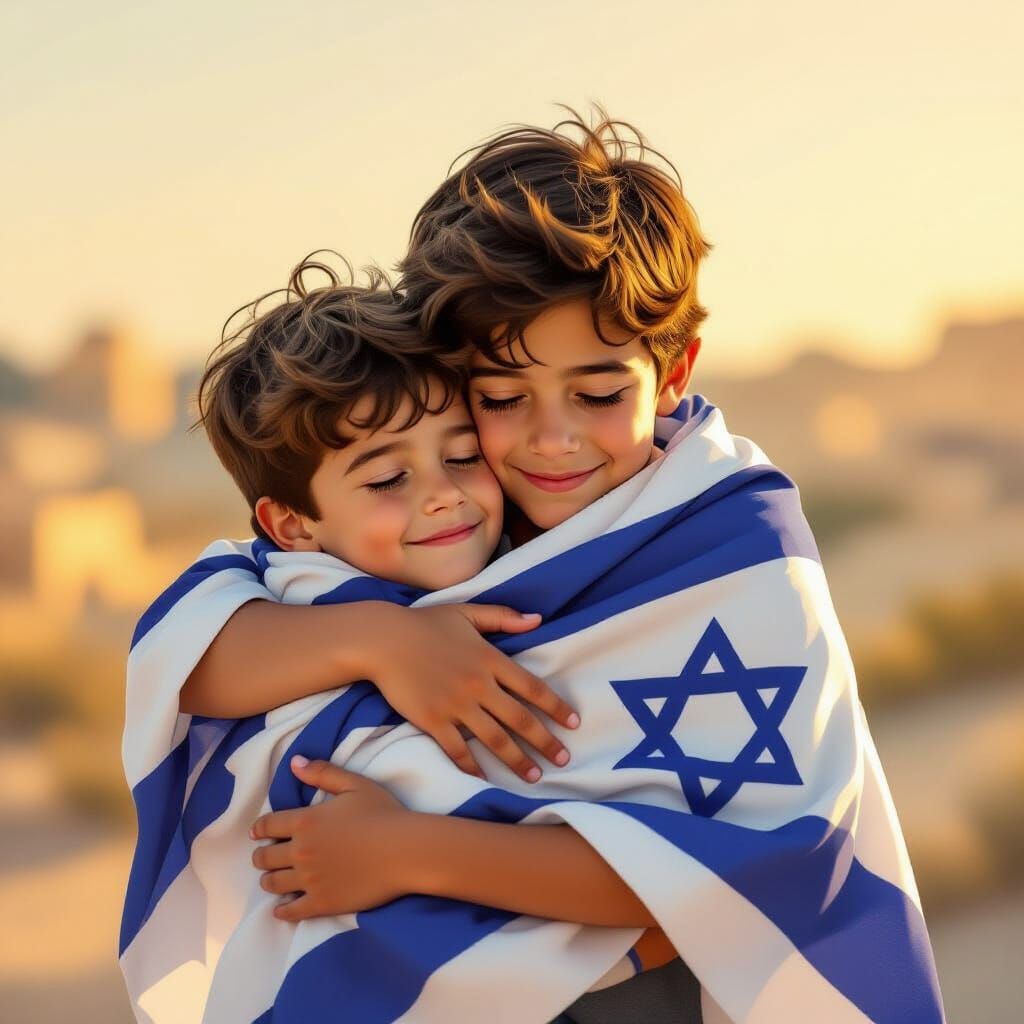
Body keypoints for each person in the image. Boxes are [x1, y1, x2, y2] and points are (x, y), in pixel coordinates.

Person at [122, 113, 942, 1024]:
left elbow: (760, 872)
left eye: (597, 394)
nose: (552, 440)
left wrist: (410, 853)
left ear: (672, 375)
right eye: (502, 399)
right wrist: (382, 640)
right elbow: (190, 657)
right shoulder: (449, 519)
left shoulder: (731, 552)